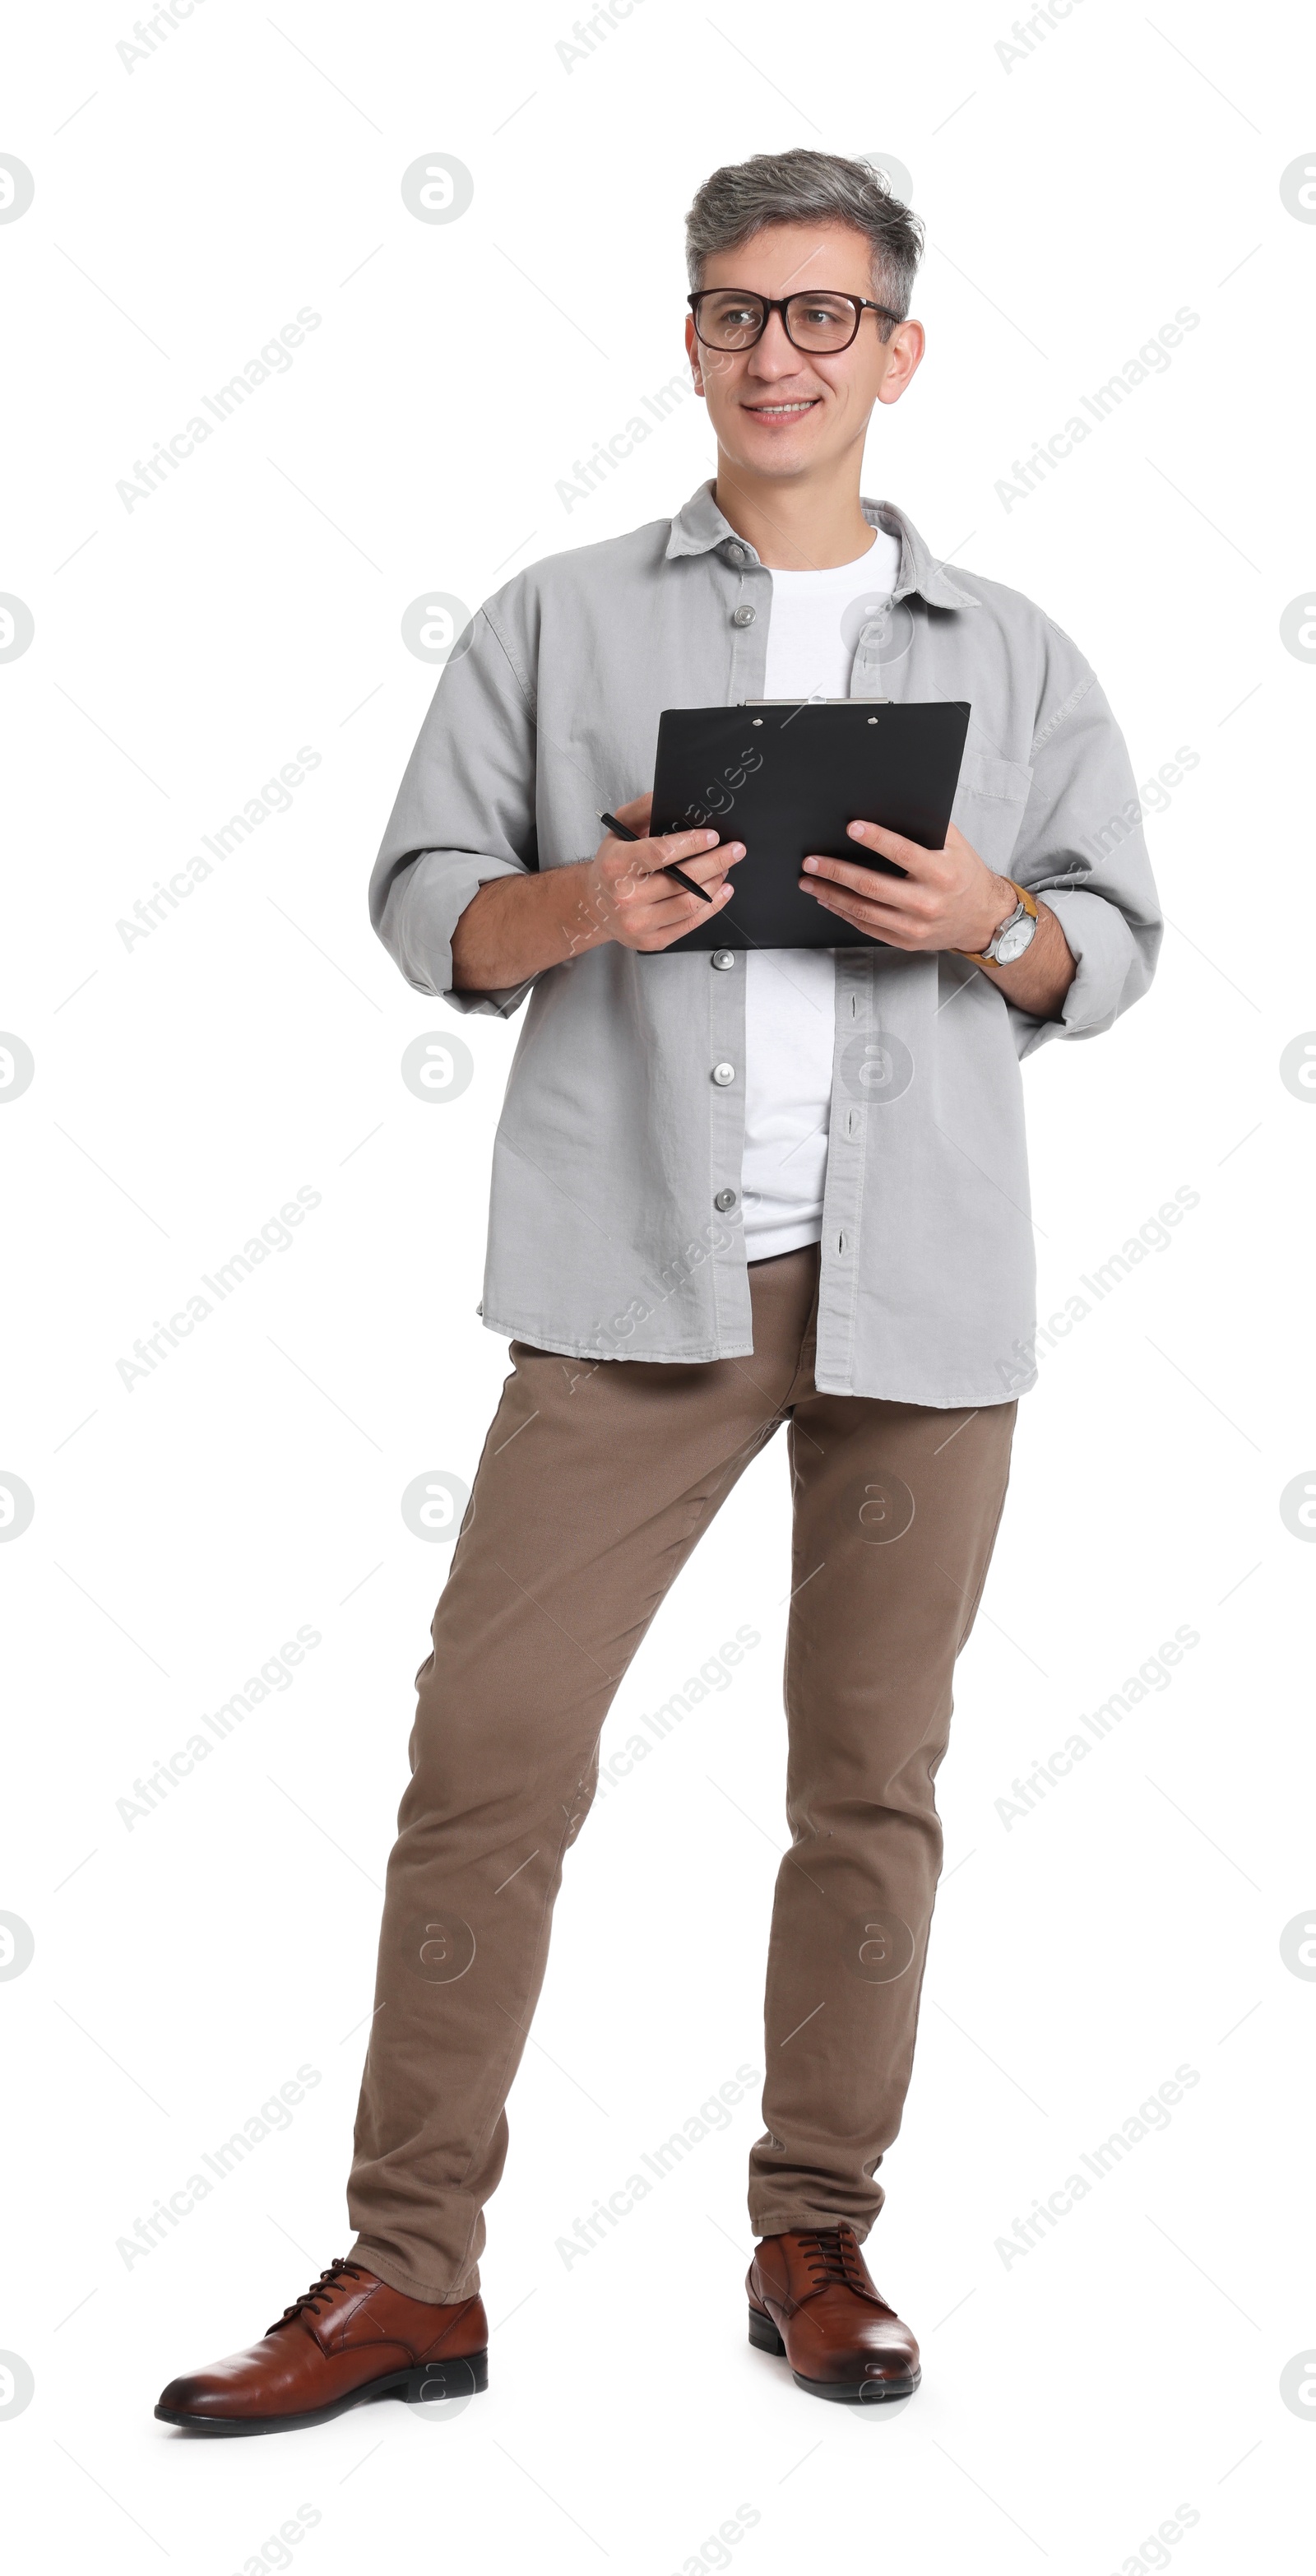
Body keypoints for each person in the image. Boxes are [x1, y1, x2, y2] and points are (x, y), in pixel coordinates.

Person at [155, 146, 1161, 2431]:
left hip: (926, 1303)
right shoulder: (555, 618)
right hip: (631, 1286)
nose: (776, 354)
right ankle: (412, 2272)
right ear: (690, 337)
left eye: (822, 316)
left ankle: (817, 2229)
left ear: (899, 352)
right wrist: (573, 911)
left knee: (868, 1779)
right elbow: (424, 902)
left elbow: (1112, 944)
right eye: (734, 312)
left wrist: (994, 924)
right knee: (488, 1762)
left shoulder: (1013, 651)